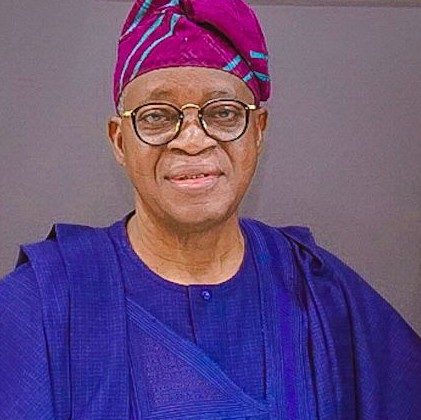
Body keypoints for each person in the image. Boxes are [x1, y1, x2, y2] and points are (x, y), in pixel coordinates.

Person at [0, 0, 420, 418]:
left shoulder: (322, 298)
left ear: (258, 131)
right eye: (157, 116)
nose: (192, 140)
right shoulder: (42, 305)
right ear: (119, 140)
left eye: (223, 113)